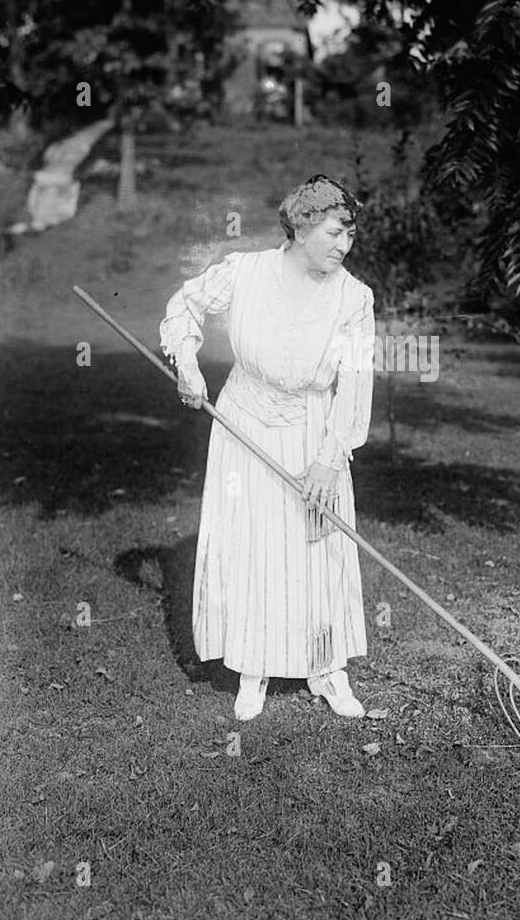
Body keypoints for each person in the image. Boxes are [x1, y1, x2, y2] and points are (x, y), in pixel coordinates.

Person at [160, 175, 375, 722]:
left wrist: (330, 461)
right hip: (242, 423)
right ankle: (252, 668)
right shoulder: (247, 272)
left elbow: (354, 383)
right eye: (333, 233)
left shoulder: (354, 298)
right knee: (250, 543)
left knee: (317, 546)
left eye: (349, 236)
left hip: (312, 430)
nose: (343, 246)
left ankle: (327, 670)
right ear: (302, 227)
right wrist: (187, 365)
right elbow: (184, 308)